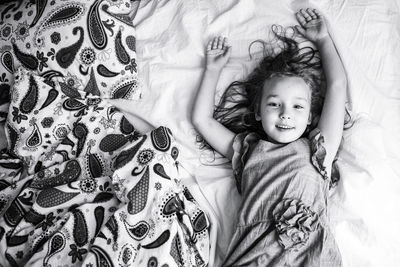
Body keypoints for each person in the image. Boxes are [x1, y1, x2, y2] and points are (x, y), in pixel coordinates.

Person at [192, 8, 347, 266]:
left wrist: (324, 40)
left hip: (310, 256)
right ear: (258, 112)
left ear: (310, 117)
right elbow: (202, 121)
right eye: (274, 104)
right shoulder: (247, 150)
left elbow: (337, 86)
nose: (286, 114)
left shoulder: (320, 149)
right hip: (253, 253)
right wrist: (212, 70)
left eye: (298, 107)